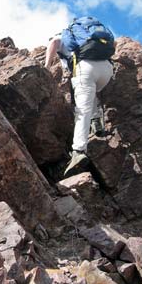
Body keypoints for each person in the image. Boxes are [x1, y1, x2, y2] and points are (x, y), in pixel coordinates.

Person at [44, 17, 115, 176]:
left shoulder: (60, 37)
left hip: (86, 66)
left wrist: (47, 67)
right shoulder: (90, 37)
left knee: (82, 109)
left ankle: (78, 151)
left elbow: (53, 44)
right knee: (91, 93)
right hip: (107, 69)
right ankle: (96, 121)